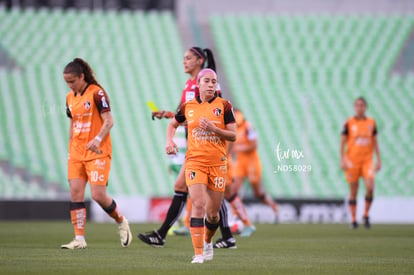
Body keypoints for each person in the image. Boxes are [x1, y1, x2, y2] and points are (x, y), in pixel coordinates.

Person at [138, 47, 236, 249]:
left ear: (200, 61)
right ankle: (164, 234)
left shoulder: (205, 85)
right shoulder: (189, 84)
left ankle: (220, 237)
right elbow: (185, 115)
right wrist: (168, 115)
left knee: (207, 196)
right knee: (188, 190)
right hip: (195, 147)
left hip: (207, 148)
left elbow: (208, 115)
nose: (184, 61)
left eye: (188, 58)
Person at [166, 68, 236, 263]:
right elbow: (172, 125)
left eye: (214, 81)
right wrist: (169, 142)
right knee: (198, 204)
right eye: (207, 81)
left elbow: (233, 135)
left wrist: (215, 129)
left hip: (217, 164)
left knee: (212, 215)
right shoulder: (187, 106)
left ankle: (207, 241)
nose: (211, 85)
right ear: (198, 84)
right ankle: (198, 253)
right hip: (195, 161)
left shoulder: (225, 106)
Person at [61, 58, 132, 249]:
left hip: (98, 151)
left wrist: (98, 139)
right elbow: (72, 123)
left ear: (82, 76)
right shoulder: (69, 98)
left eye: (72, 81)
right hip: (76, 152)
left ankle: (121, 221)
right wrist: (71, 146)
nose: (70, 85)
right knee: (75, 194)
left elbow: (109, 121)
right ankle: (79, 239)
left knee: (98, 195)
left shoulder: (97, 93)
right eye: (67, 82)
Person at [230, 109, 279, 237]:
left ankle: (273, 207)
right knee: (233, 189)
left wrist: (238, 148)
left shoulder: (248, 127)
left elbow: (254, 145)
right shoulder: (233, 128)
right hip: (240, 163)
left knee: (257, 193)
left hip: (252, 163)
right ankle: (237, 218)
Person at [340, 97, 381, 229]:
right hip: (352, 161)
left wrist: (378, 160)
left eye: (362, 105)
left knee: (370, 187)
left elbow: (375, 142)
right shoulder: (348, 123)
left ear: (365, 107)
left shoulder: (371, 123)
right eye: (357, 105)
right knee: (354, 191)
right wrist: (342, 159)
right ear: (354, 107)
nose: (359, 107)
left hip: (367, 160)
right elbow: (342, 142)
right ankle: (353, 220)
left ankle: (365, 214)